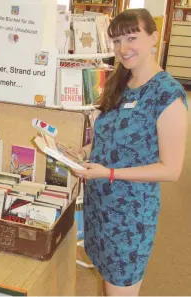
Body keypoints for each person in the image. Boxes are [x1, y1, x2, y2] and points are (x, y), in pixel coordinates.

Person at [70, 9, 188, 296]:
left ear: (154, 38)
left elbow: (171, 169)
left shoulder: (167, 95)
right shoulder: (121, 82)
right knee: (107, 280)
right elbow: (109, 137)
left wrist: (109, 172)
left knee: (121, 288)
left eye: (132, 38)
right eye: (117, 40)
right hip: (101, 207)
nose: (123, 48)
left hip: (130, 215)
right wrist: (85, 152)